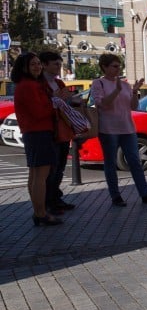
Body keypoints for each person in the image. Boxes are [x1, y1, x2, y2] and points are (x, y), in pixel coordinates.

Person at [91, 53, 147, 207]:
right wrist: (116, 91)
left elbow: (133, 106)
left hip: (127, 128)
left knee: (135, 161)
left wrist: (134, 91)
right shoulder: (98, 83)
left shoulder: (124, 84)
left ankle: (145, 193)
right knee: (110, 163)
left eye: (119, 66)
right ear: (104, 67)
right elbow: (102, 105)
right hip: (108, 129)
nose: (118, 69)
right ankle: (115, 196)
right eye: (114, 66)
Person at [12, 52, 62, 226]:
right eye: (33, 64)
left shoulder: (26, 85)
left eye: (38, 63)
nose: (38, 67)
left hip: (33, 132)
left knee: (35, 175)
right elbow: (39, 112)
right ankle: (41, 213)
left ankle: (39, 211)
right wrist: (56, 102)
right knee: (40, 176)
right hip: (38, 132)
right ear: (24, 67)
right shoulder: (29, 86)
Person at [39, 51, 79, 214]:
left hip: (63, 128)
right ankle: (48, 202)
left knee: (60, 166)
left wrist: (74, 100)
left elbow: (66, 102)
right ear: (45, 65)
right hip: (51, 129)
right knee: (52, 168)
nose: (58, 67)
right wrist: (55, 98)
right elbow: (43, 105)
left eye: (59, 64)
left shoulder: (59, 83)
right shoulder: (41, 84)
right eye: (55, 64)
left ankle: (56, 197)